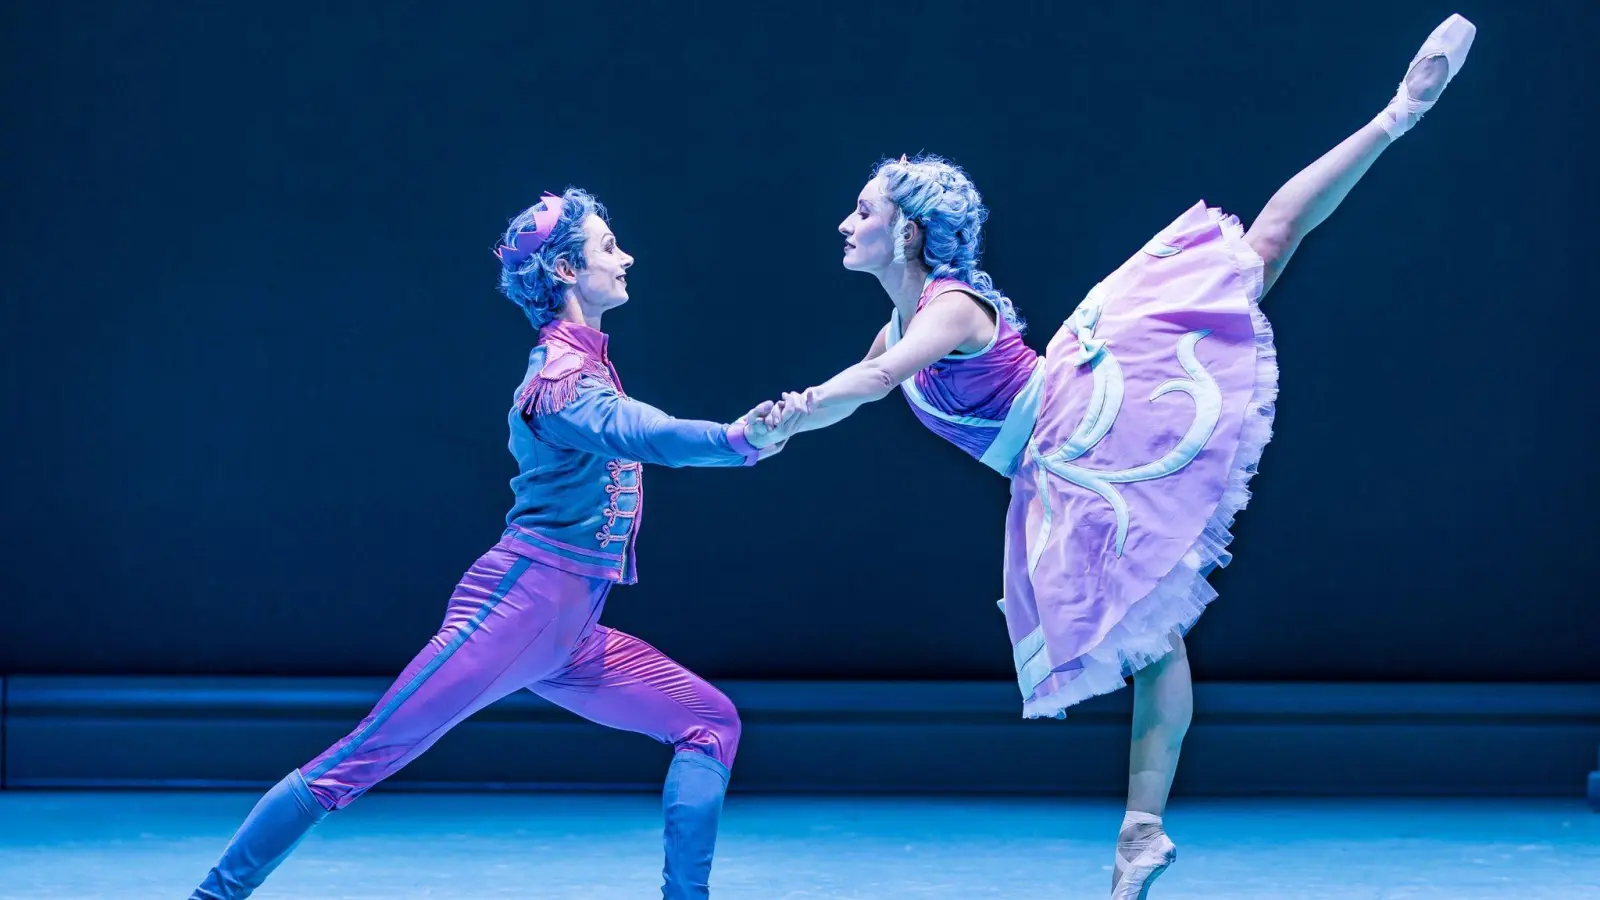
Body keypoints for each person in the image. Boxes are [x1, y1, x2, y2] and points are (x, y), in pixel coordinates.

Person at [763, 15, 1475, 898]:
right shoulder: (896, 321)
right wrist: (793, 421)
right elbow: (867, 377)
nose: (846, 221)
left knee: (1260, 251)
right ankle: (1141, 835)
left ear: (905, 231)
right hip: (1057, 470)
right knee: (1155, 639)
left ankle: (1397, 113)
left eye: (862, 210)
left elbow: (872, 384)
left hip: (1089, 410)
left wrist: (794, 411)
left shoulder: (947, 306)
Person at [190, 188, 797, 900]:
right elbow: (641, 431)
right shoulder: (559, 380)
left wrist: (741, 443)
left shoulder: (586, 364)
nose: (625, 256)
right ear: (565, 270)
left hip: (566, 632)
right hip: (517, 609)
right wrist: (737, 439)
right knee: (356, 761)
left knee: (708, 722)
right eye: (608, 246)